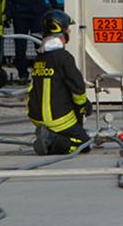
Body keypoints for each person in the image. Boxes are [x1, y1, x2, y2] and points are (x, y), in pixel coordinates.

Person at [29, 10, 91, 156]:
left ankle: (47, 134)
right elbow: (78, 87)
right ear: (61, 31)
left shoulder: (40, 58)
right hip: (58, 119)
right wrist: (83, 105)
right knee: (84, 144)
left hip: (37, 117)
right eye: (67, 28)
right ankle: (51, 141)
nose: (69, 31)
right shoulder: (64, 57)